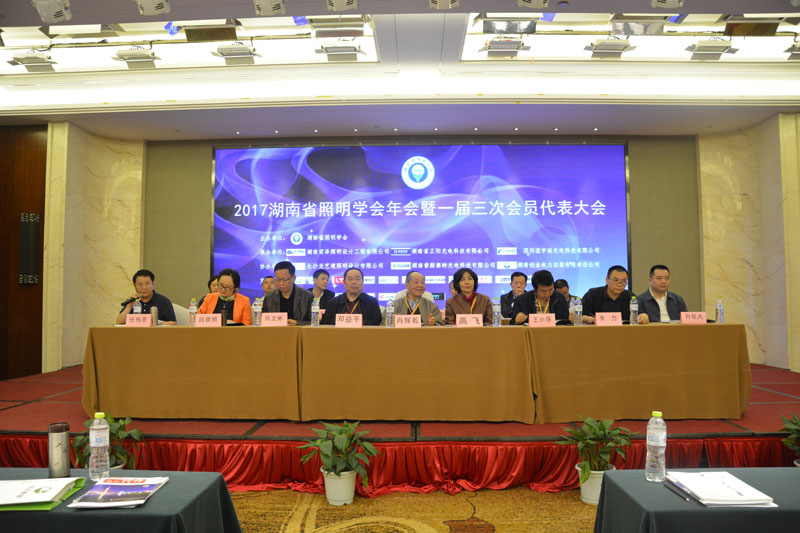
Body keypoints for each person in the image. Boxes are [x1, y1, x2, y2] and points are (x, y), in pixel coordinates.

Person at [580, 265, 649, 325]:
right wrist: (590, 319)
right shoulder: (593, 294)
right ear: (607, 280)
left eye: (624, 281)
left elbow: (640, 314)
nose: (619, 284)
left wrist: (643, 316)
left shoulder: (630, 296)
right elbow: (578, 316)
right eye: (616, 280)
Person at [263, 261, 313, 325]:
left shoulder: (307, 296)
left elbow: (313, 322)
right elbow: (264, 321)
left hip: (298, 331)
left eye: (285, 279)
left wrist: (297, 323)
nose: (281, 283)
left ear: (294, 278)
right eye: (278, 279)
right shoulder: (269, 297)